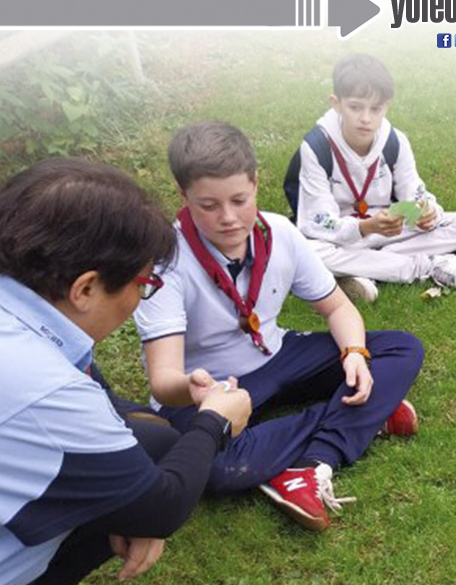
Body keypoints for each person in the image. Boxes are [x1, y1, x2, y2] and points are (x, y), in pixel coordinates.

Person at [0, 159, 251, 585]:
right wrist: (215, 421)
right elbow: (162, 507)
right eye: (143, 283)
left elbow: (96, 393)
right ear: (85, 288)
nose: (139, 297)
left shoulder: (8, 296)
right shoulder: (43, 390)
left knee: (156, 443)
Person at [134, 121, 425, 532]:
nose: (228, 218)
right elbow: (163, 380)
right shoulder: (165, 260)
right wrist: (195, 389)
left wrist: (355, 354)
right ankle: (367, 415)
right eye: (208, 205)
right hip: (212, 389)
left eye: (239, 200)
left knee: (401, 348)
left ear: (256, 182)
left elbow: (337, 308)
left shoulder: (280, 233)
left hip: (279, 354)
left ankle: (312, 461)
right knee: (217, 469)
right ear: (184, 196)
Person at [293, 53, 456, 303]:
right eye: (355, 107)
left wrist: (427, 212)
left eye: (376, 109)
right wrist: (364, 227)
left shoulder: (395, 141)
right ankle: (428, 266)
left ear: (387, 106)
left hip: (389, 227)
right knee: (307, 252)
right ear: (336, 103)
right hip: (342, 236)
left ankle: (365, 272)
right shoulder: (316, 147)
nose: (366, 118)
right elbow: (318, 222)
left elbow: (414, 193)